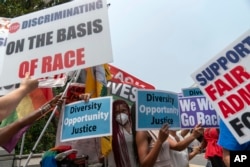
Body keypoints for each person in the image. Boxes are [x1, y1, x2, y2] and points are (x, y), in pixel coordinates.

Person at [108, 99, 138, 167]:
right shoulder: (110, 129)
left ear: (128, 111)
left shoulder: (135, 126)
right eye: (117, 112)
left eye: (123, 111)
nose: (121, 114)